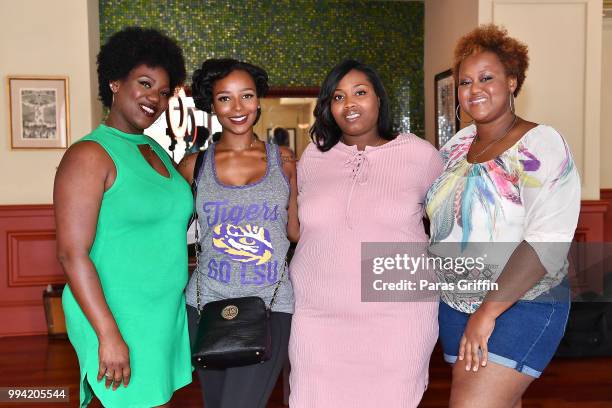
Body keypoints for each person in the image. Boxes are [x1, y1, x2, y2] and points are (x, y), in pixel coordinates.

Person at [425, 24, 580, 407]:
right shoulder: (457, 146)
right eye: (465, 82)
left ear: (512, 81)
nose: (474, 89)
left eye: (486, 78)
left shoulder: (537, 145)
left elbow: (547, 240)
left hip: (521, 304)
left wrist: (487, 313)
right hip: (457, 306)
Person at [288, 59, 444, 407]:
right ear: (329, 107)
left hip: (396, 319)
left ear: (379, 100)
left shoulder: (420, 155)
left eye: (360, 92)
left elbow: (450, 225)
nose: (350, 104)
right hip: (316, 317)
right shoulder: (313, 157)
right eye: (339, 96)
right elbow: (300, 230)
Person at [54, 27, 192, 407]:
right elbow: (71, 253)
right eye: (144, 84)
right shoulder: (89, 155)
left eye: (164, 92)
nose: (155, 99)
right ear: (114, 81)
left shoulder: (154, 149)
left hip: (161, 313)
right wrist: (108, 334)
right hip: (117, 314)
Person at [177, 58, 299, 408]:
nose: (237, 107)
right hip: (204, 305)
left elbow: (296, 231)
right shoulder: (193, 165)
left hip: (270, 304)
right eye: (225, 98)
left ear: (259, 100)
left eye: (246, 96)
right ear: (212, 105)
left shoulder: (285, 160)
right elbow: (169, 230)